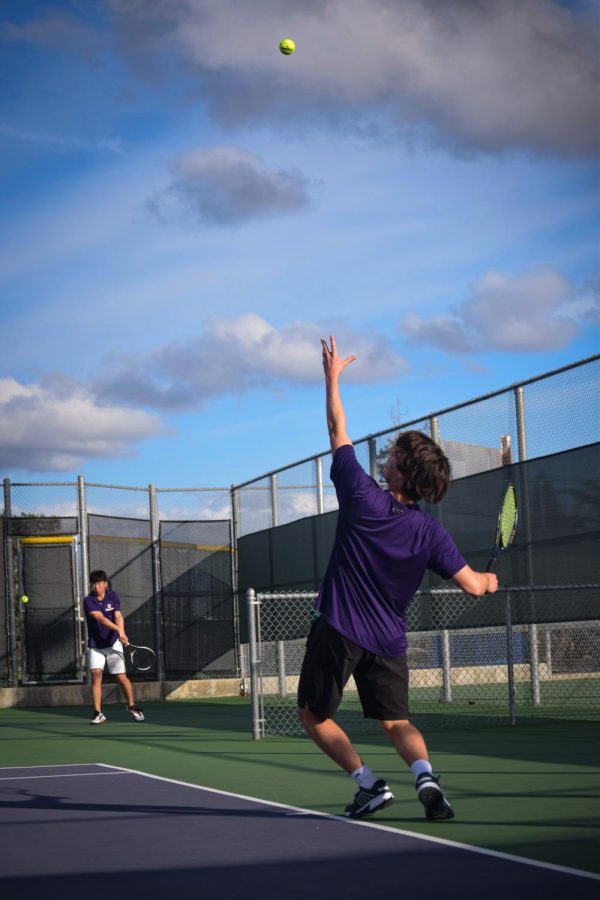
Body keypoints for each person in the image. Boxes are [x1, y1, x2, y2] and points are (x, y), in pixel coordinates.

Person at [297, 336, 498, 821]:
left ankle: (368, 785)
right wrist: (491, 581)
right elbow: (473, 586)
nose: (384, 458)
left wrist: (331, 378)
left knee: (312, 715)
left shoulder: (361, 496)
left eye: (391, 456)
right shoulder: (431, 532)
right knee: (396, 721)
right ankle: (425, 776)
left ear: (402, 474)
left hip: (340, 628)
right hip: (388, 641)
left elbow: (335, 426)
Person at [84, 570, 145, 725]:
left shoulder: (113, 596)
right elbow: (101, 619)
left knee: (121, 677)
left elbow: (118, 616)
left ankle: (132, 706)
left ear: (105, 584)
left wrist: (122, 633)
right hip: (95, 645)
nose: (96, 586)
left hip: (113, 644)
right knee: (96, 674)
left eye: (99, 583)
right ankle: (98, 713)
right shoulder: (88, 601)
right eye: (93, 584)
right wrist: (118, 630)